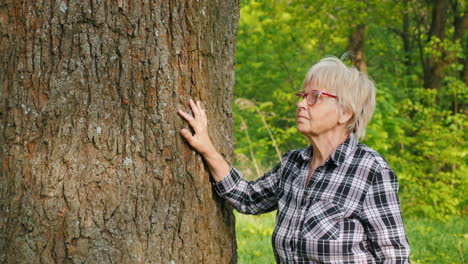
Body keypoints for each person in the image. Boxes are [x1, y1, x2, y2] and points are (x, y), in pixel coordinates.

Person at [178, 56, 411, 263]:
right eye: (302, 96)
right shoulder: (293, 164)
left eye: (314, 97)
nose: (300, 104)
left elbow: (394, 257)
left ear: (345, 112)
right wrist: (207, 148)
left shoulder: (370, 170)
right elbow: (247, 197)